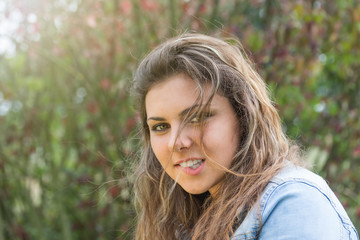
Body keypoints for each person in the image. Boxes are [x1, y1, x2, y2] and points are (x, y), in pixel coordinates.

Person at [131, 33, 358, 240]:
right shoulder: (185, 224)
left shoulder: (295, 204)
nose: (176, 143)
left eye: (197, 117)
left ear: (242, 115)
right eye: (160, 127)